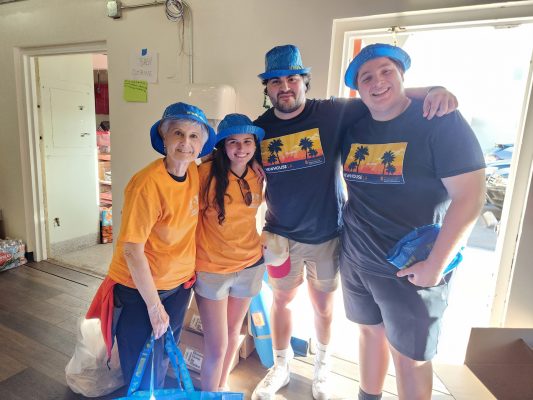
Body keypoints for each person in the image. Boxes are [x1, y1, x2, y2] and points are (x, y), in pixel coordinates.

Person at [251, 44, 459, 400]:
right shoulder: (258, 130)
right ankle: (281, 366)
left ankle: (322, 368)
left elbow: (382, 96)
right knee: (282, 301)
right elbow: (232, 155)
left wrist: (435, 91)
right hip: (279, 238)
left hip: (327, 235)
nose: (284, 87)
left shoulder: (332, 113)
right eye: (275, 82)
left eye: (292, 78)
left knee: (323, 307)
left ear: (305, 82)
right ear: (267, 90)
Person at [340, 43, 485, 400]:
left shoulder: (438, 120)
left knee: (411, 359)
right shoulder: (354, 124)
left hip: (414, 268)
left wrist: (435, 266)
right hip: (357, 260)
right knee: (368, 334)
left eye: (387, 71)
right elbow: (378, 96)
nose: (378, 82)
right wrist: (431, 88)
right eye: (367, 77)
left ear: (402, 74)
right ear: (358, 88)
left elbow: (471, 197)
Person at [104, 102, 216, 388]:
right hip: (140, 289)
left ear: (202, 144)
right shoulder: (147, 184)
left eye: (194, 136)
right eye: (178, 133)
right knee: (139, 358)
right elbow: (132, 249)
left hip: (178, 284)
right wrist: (154, 306)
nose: (185, 143)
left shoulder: (193, 172)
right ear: (164, 138)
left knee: (164, 350)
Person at [194, 114, 266, 392]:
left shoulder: (258, 174)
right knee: (217, 345)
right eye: (233, 142)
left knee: (233, 335)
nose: (241, 148)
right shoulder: (204, 174)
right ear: (222, 145)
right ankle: (209, 394)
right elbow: (188, 220)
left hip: (250, 265)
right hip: (212, 269)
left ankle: (220, 390)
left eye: (248, 141)